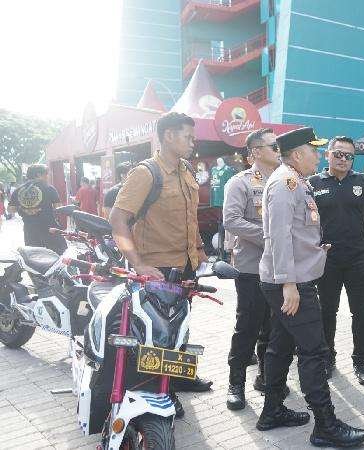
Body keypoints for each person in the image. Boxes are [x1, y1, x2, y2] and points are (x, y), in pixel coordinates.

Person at [258, 127, 364, 447]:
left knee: (280, 346)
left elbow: (297, 232)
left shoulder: (296, 180)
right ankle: (325, 425)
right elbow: (278, 236)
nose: (318, 156)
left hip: (292, 278)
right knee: (314, 351)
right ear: (296, 155)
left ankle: (272, 410)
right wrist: (289, 284)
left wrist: (316, 250)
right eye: (313, 150)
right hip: (291, 283)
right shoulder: (285, 183)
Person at [109, 112, 212, 417]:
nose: (193, 143)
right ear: (168, 135)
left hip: (185, 266)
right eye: (188, 137)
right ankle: (160, 392)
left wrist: (200, 250)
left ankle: (178, 378)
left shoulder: (186, 169)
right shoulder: (146, 173)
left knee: (179, 326)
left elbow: (190, 217)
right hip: (157, 270)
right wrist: (138, 263)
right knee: (156, 335)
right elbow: (117, 219)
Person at [223, 128, 288, 411]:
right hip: (252, 268)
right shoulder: (240, 182)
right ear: (256, 152)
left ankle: (265, 377)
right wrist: (270, 237)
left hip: (280, 268)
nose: (279, 150)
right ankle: (236, 383)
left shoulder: (286, 180)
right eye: (274, 146)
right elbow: (232, 220)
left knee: (274, 328)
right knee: (247, 327)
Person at [309, 136, 364, 384]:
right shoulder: (313, 183)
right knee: (327, 311)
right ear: (327, 155)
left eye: (348, 156)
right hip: (326, 260)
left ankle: (361, 362)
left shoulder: (363, 182)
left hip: (359, 259)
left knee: (361, 313)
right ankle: (327, 358)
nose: (343, 159)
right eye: (338, 154)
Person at [9, 164, 67, 254]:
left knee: (35, 257)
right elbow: (58, 208)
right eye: (46, 174)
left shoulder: (18, 190)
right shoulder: (49, 188)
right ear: (39, 174)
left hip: (30, 230)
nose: (47, 176)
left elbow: (11, 209)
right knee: (55, 256)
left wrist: (26, 210)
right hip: (49, 229)